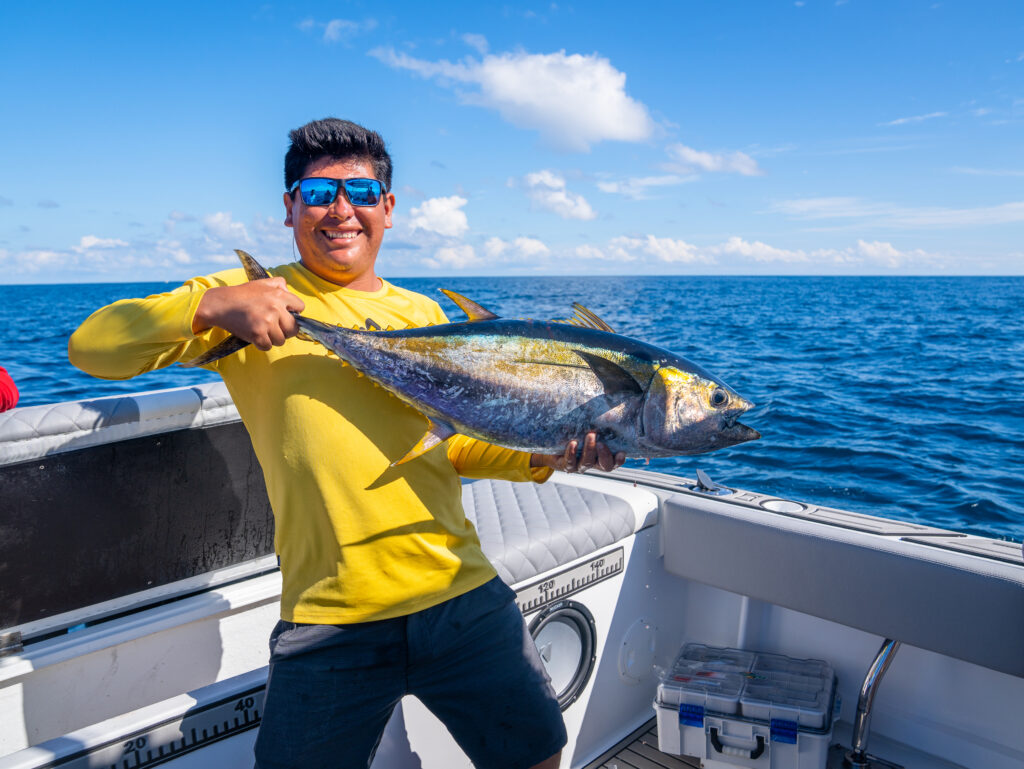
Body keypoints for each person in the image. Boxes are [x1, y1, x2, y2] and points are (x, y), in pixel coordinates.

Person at [69, 117, 624, 769]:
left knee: (537, 755)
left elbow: (455, 446)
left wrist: (545, 451)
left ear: (387, 208)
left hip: (458, 590)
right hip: (329, 616)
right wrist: (214, 306)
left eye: (360, 194)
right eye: (317, 193)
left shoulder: (421, 316)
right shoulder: (253, 297)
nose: (341, 211)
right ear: (289, 208)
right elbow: (92, 346)